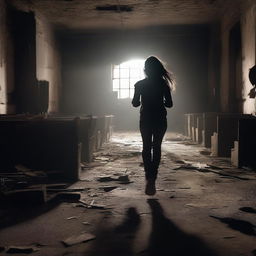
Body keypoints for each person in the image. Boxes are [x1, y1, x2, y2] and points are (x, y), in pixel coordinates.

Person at [132, 56, 174, 195]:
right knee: (156, 147)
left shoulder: (139, 84)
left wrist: (142, 99)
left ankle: (147, 176)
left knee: (146, 146)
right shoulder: (163, 84)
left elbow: (135, 103)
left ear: (145, 70)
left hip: (145, 118)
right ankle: (153, 178)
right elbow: (169, 104)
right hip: (160, 119)